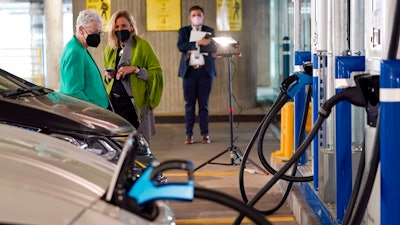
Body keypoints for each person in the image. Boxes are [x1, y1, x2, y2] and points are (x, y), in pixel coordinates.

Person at [104, 9, 163, 144]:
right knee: (118, 143)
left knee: (136, 143)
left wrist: (136, 70)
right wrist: (109, 75)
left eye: (124, 26)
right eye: (116, 26)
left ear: (131, 26)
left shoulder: (142, 46)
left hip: (133, 104)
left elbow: (156, 74)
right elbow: (107, 80)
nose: (120, 29)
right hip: (115, 103)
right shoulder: (110, 48)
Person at [177, 5, 218, 144]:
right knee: (189, 104)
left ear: (203, 16)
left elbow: (213, 47)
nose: (196, 17)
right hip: (189, 73)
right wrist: (198, 43)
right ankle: (189, 134)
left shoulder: (209, 31)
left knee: (203, 105)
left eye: (199, 15)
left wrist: (199, 45)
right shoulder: (184, 31)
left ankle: (205, 134)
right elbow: (181, 46)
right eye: (194, 15)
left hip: (205, 72)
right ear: (190, 17)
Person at [60, 9, 110, 109]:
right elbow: (74, 92)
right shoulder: (75, 52)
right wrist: (93, 110)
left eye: (99, 33)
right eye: (94, 32)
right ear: (80, 29)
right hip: (91, 112)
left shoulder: (81, 48)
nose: (97, 36)